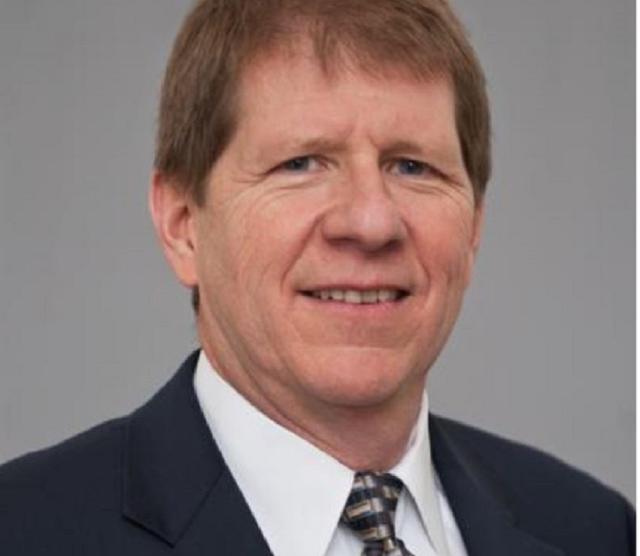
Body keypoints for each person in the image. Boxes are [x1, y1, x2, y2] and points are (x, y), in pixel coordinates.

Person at [0, 0, 634, 554]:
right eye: (301, 163)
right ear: (182, 225)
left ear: (473, 227)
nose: (371, 222)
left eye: (412, 167)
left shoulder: (593, 531)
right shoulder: (23, 531)